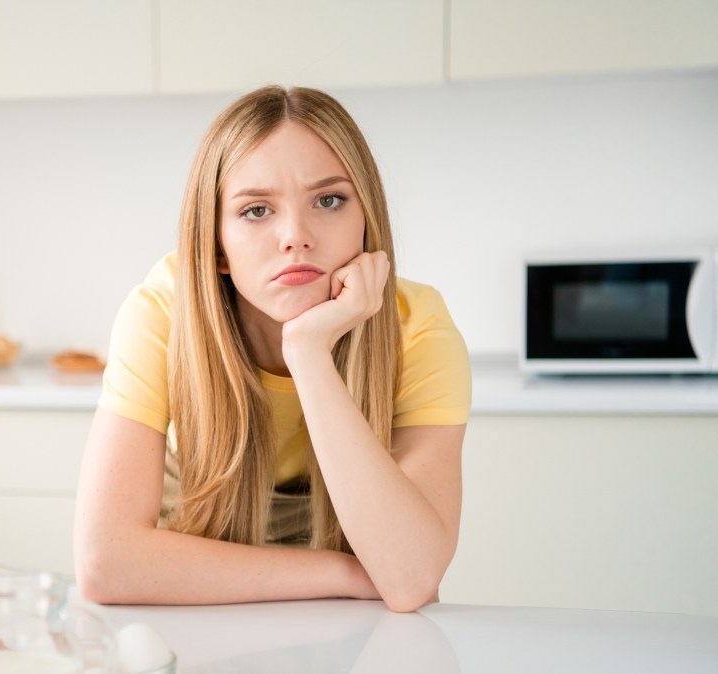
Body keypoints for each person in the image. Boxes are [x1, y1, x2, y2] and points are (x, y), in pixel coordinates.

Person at [73, 85, 471, 613]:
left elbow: (409, 576)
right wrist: (347, 572)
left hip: (345, 620)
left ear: (367, 220)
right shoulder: (162, 313)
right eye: (257, 210)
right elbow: (107, 564)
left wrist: (307, 351)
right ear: (216, 247)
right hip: (188, 611)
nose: (296, 236)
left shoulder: (417, 328)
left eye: (328, 200)